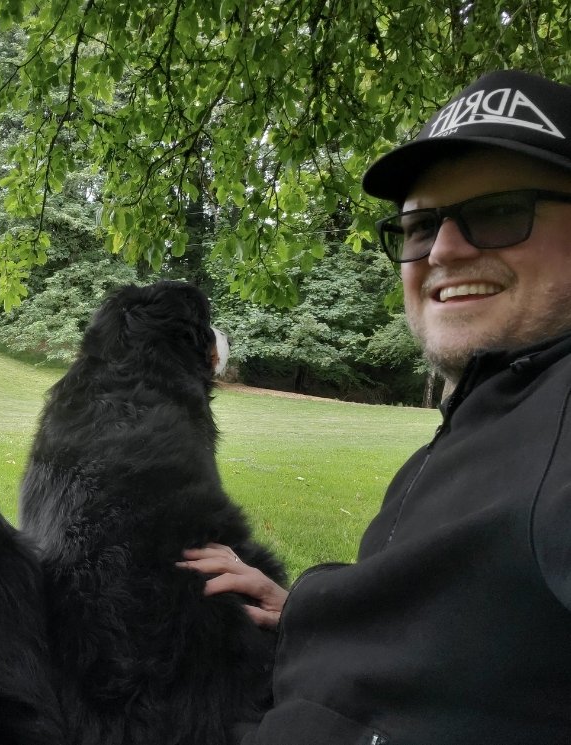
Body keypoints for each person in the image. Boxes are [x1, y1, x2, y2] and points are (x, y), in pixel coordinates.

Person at [179, 69, 571, 744]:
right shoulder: (471, 427)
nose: (444, 249)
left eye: (501, 212)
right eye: (420, 226)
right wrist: (309, 608)